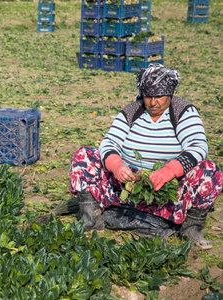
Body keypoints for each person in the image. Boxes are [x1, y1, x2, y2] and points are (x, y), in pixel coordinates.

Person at [69, 63, 222, 249]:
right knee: (85, 155)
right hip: (128, 184)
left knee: (209, 171)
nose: (153, 102)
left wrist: (169, 171)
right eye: (148, 96)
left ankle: (192, 229)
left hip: (168, 188)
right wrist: (117, 166)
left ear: (170, 94)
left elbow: (198, 146)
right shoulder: (133, 111)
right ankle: (91, 220)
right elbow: (109, 142)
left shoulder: (182, 111)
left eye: (159, 96)